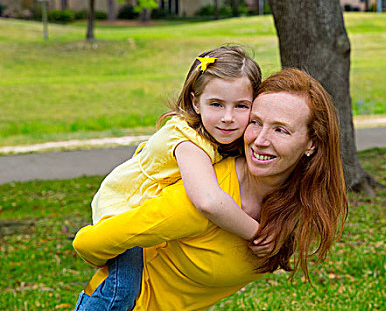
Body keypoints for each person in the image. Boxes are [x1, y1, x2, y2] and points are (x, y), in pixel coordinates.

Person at [73, 68, 349, 310]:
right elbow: (88, 243)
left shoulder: (297, 205)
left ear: (312, 143)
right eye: (256, 123)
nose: (260, 140)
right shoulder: (201, 198)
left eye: (281, 130)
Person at [81, 46, 268, 310]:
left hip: (151, 209)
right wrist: (256, 233)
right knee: (123, 288)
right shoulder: (188, 142)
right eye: (216, 104)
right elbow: (208, 200)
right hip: (124, 207)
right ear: (195, 102)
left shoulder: (221, 137)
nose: (228, 118)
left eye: (241, 106)